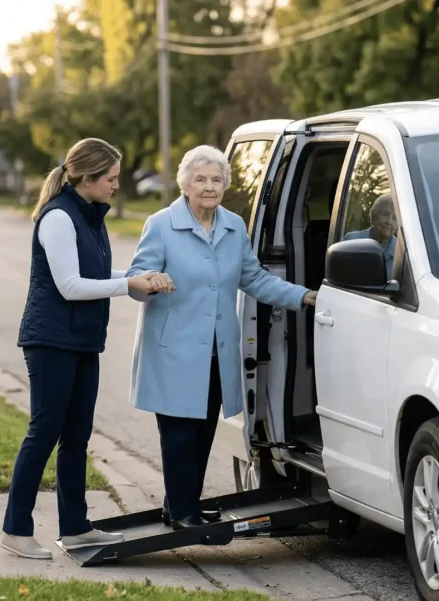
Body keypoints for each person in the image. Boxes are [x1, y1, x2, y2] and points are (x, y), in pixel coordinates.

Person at [125, 144, 317, 530]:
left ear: (225, 185)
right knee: (179, 435)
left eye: (216, 179)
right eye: (200, 179)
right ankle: (183, 512)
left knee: (202, 432)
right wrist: (151, 282)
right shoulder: (161, 225)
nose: (209, 187)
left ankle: (180, 505)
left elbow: (255, 278)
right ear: (185, 185)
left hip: (217, 351)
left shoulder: (233, 226)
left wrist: (303, 296)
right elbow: (135, 280)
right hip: (174, 352)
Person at [2, 138, 174, 560]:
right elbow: (70, 285)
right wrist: (127, 284)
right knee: (45, 432)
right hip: (51, 341)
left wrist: (139, 277)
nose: (116, 185)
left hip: (81, 340)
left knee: (77, 435)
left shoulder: (89, 215)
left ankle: (76, 528)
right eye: (111, 178)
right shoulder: (58, 217)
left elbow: (93, 272)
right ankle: (16, 530)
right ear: (87, 178)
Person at [342, 192, 397, 279]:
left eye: (395, 218)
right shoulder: (351, 241)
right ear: (374, 215)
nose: (389, 222)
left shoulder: (401, 253)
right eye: (385, 214)